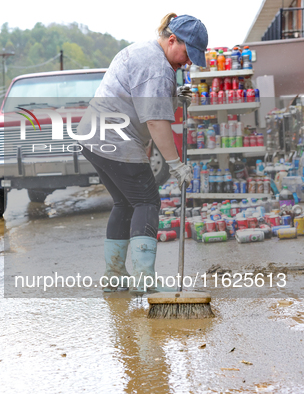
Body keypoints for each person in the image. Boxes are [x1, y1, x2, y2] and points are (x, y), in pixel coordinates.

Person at [76, 14, 206, 293]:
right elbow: (155, 121)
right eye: (187, 53)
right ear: (172, 40)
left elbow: (141, 101)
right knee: (147, 202)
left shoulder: (143, 51)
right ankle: (144, 278)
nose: (189, 62)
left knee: (125, 203)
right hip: (115, 139)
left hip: (93, 137)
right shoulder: (158, 67)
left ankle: (114, 275)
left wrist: (174, 96)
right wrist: (175, 164)